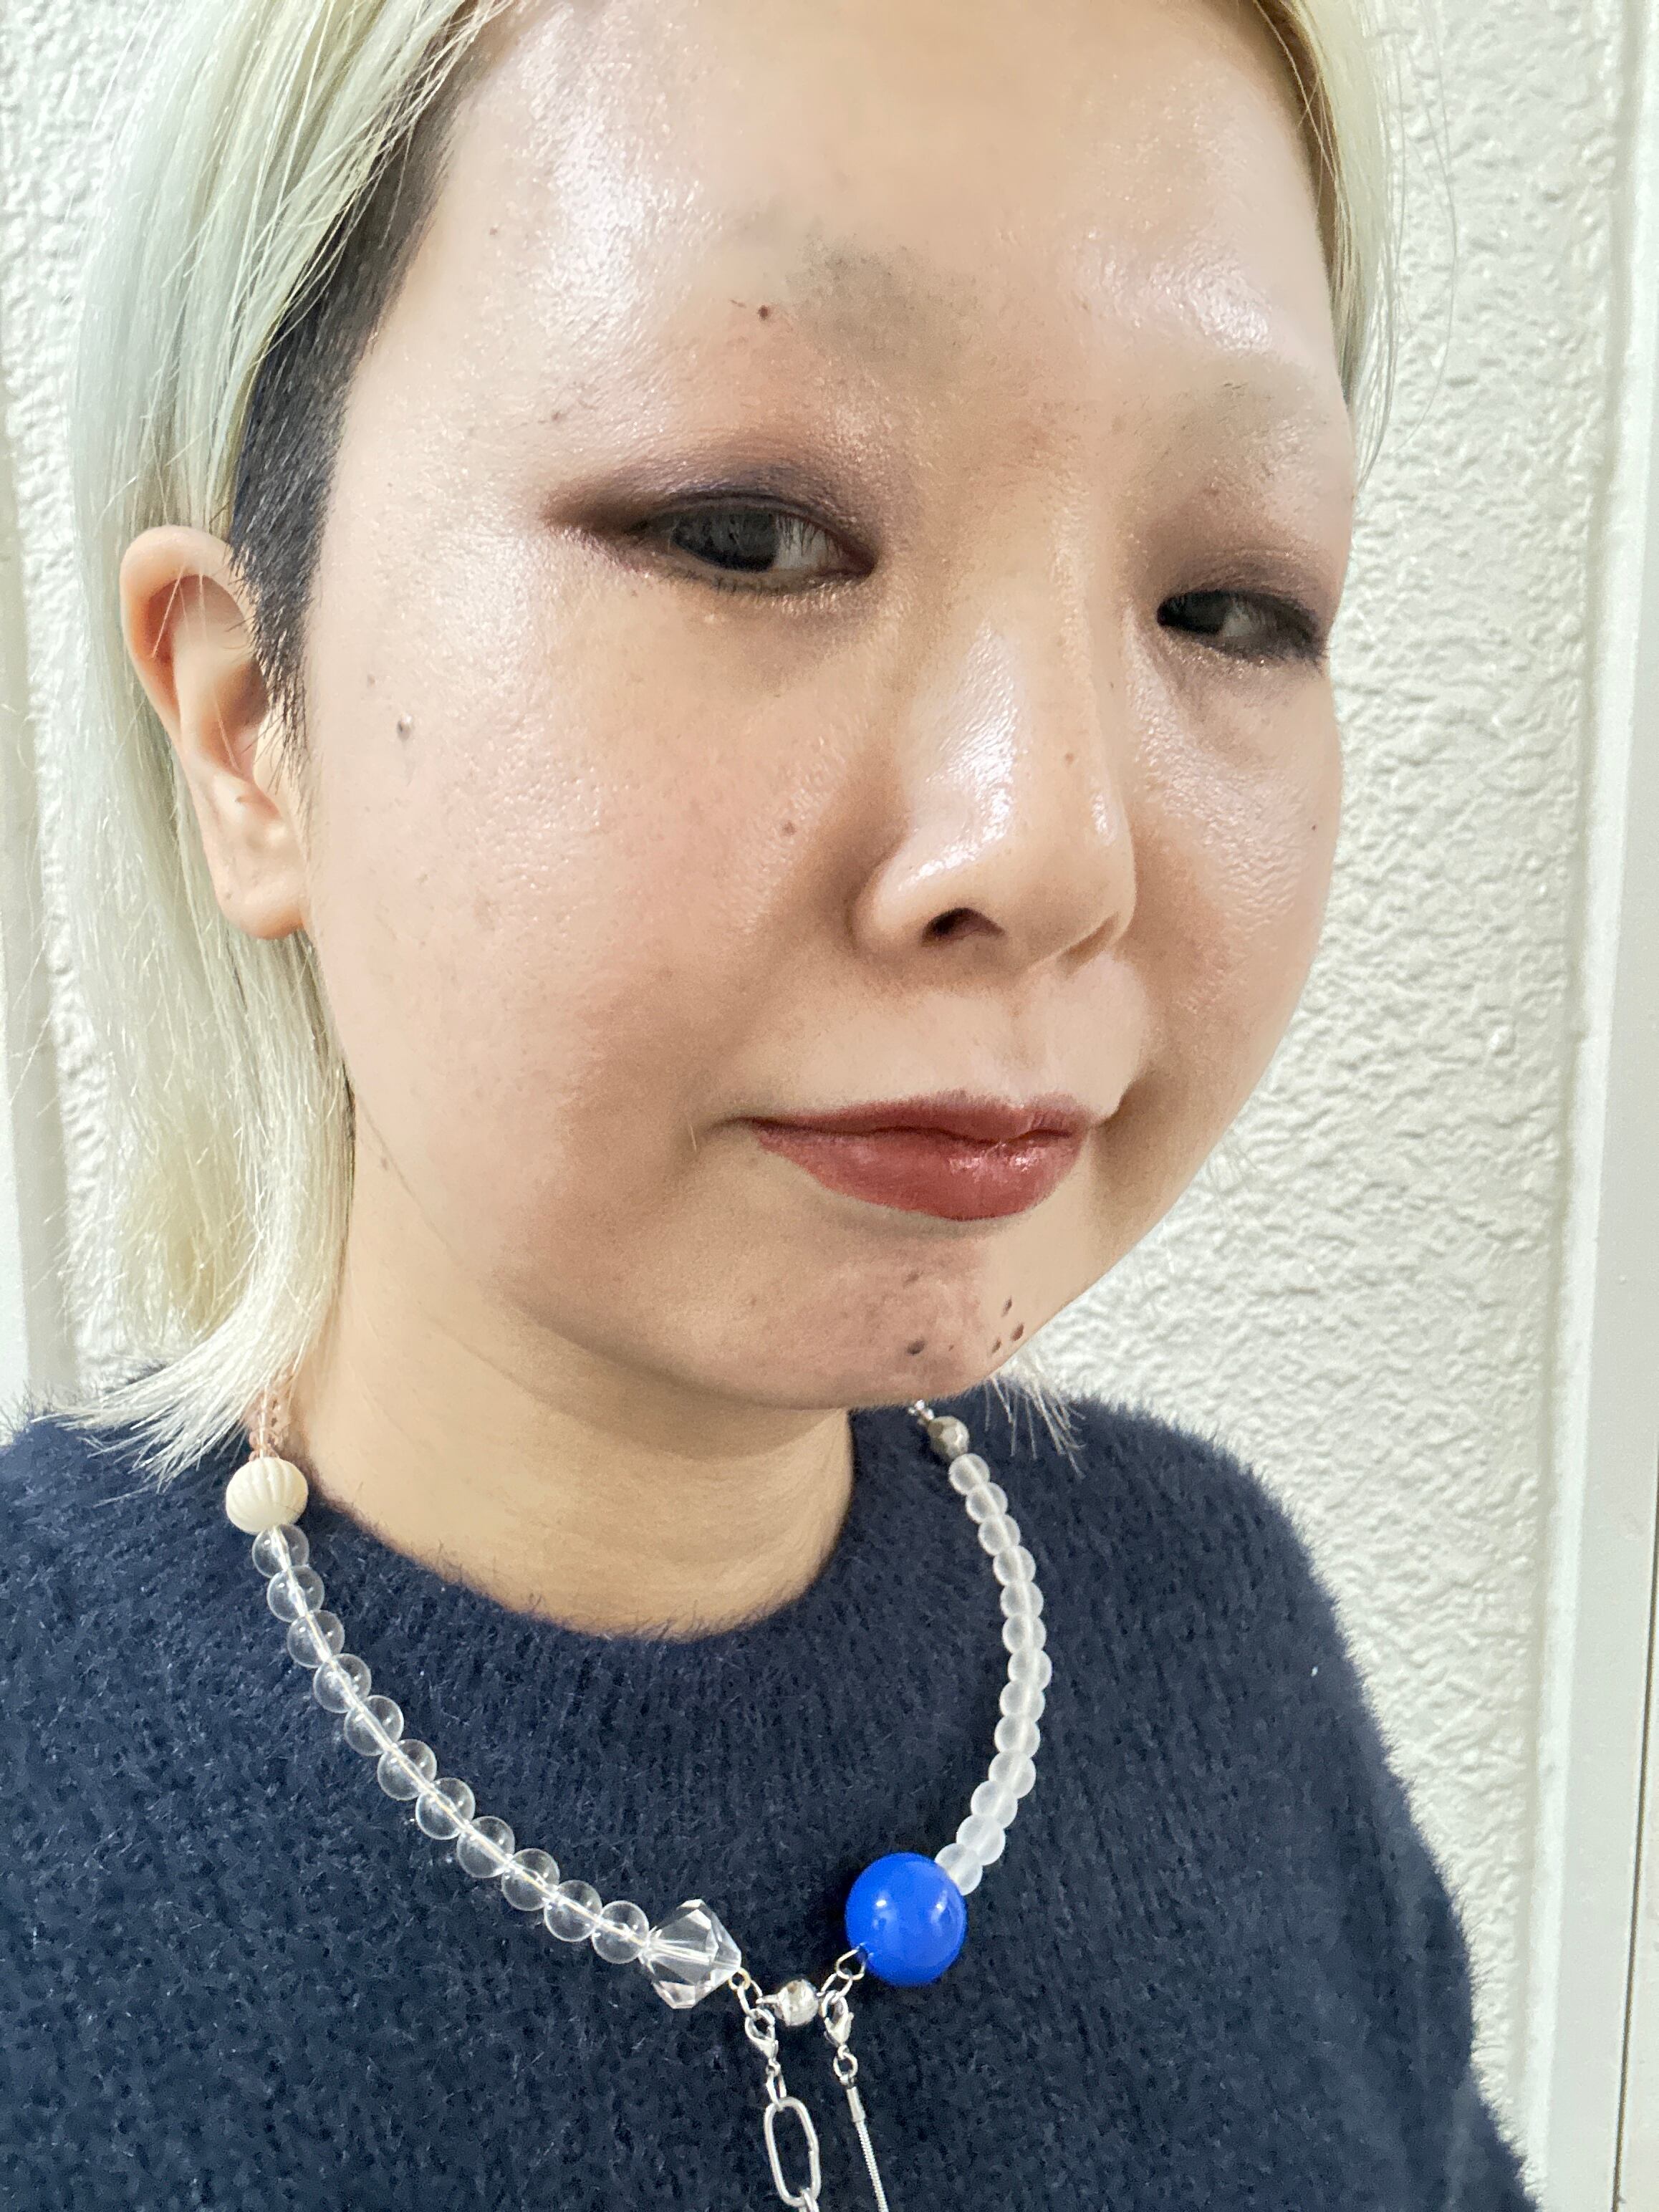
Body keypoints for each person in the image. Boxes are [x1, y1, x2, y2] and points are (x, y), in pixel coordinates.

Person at [0, 0, 1538, 2203]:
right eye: (744, 534)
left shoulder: (1209, 1627)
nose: (1049, 851)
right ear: (254, 725)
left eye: (1225, 602)